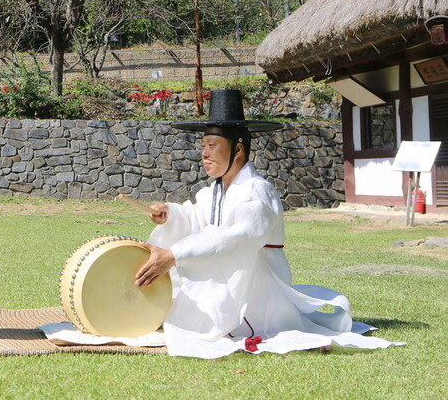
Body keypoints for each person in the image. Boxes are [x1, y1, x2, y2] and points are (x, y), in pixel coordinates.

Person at [134, 89, 400, 358]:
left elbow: (233, 236)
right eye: (203, 146)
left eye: (212, 145)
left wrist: (174, 255)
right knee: (180, 314)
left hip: (257, 286)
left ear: (238, 149)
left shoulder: (256, 192)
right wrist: (170, 214)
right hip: (228, 273)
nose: (204, 153)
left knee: (196, 324)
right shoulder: (213, 191)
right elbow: (198, 218)